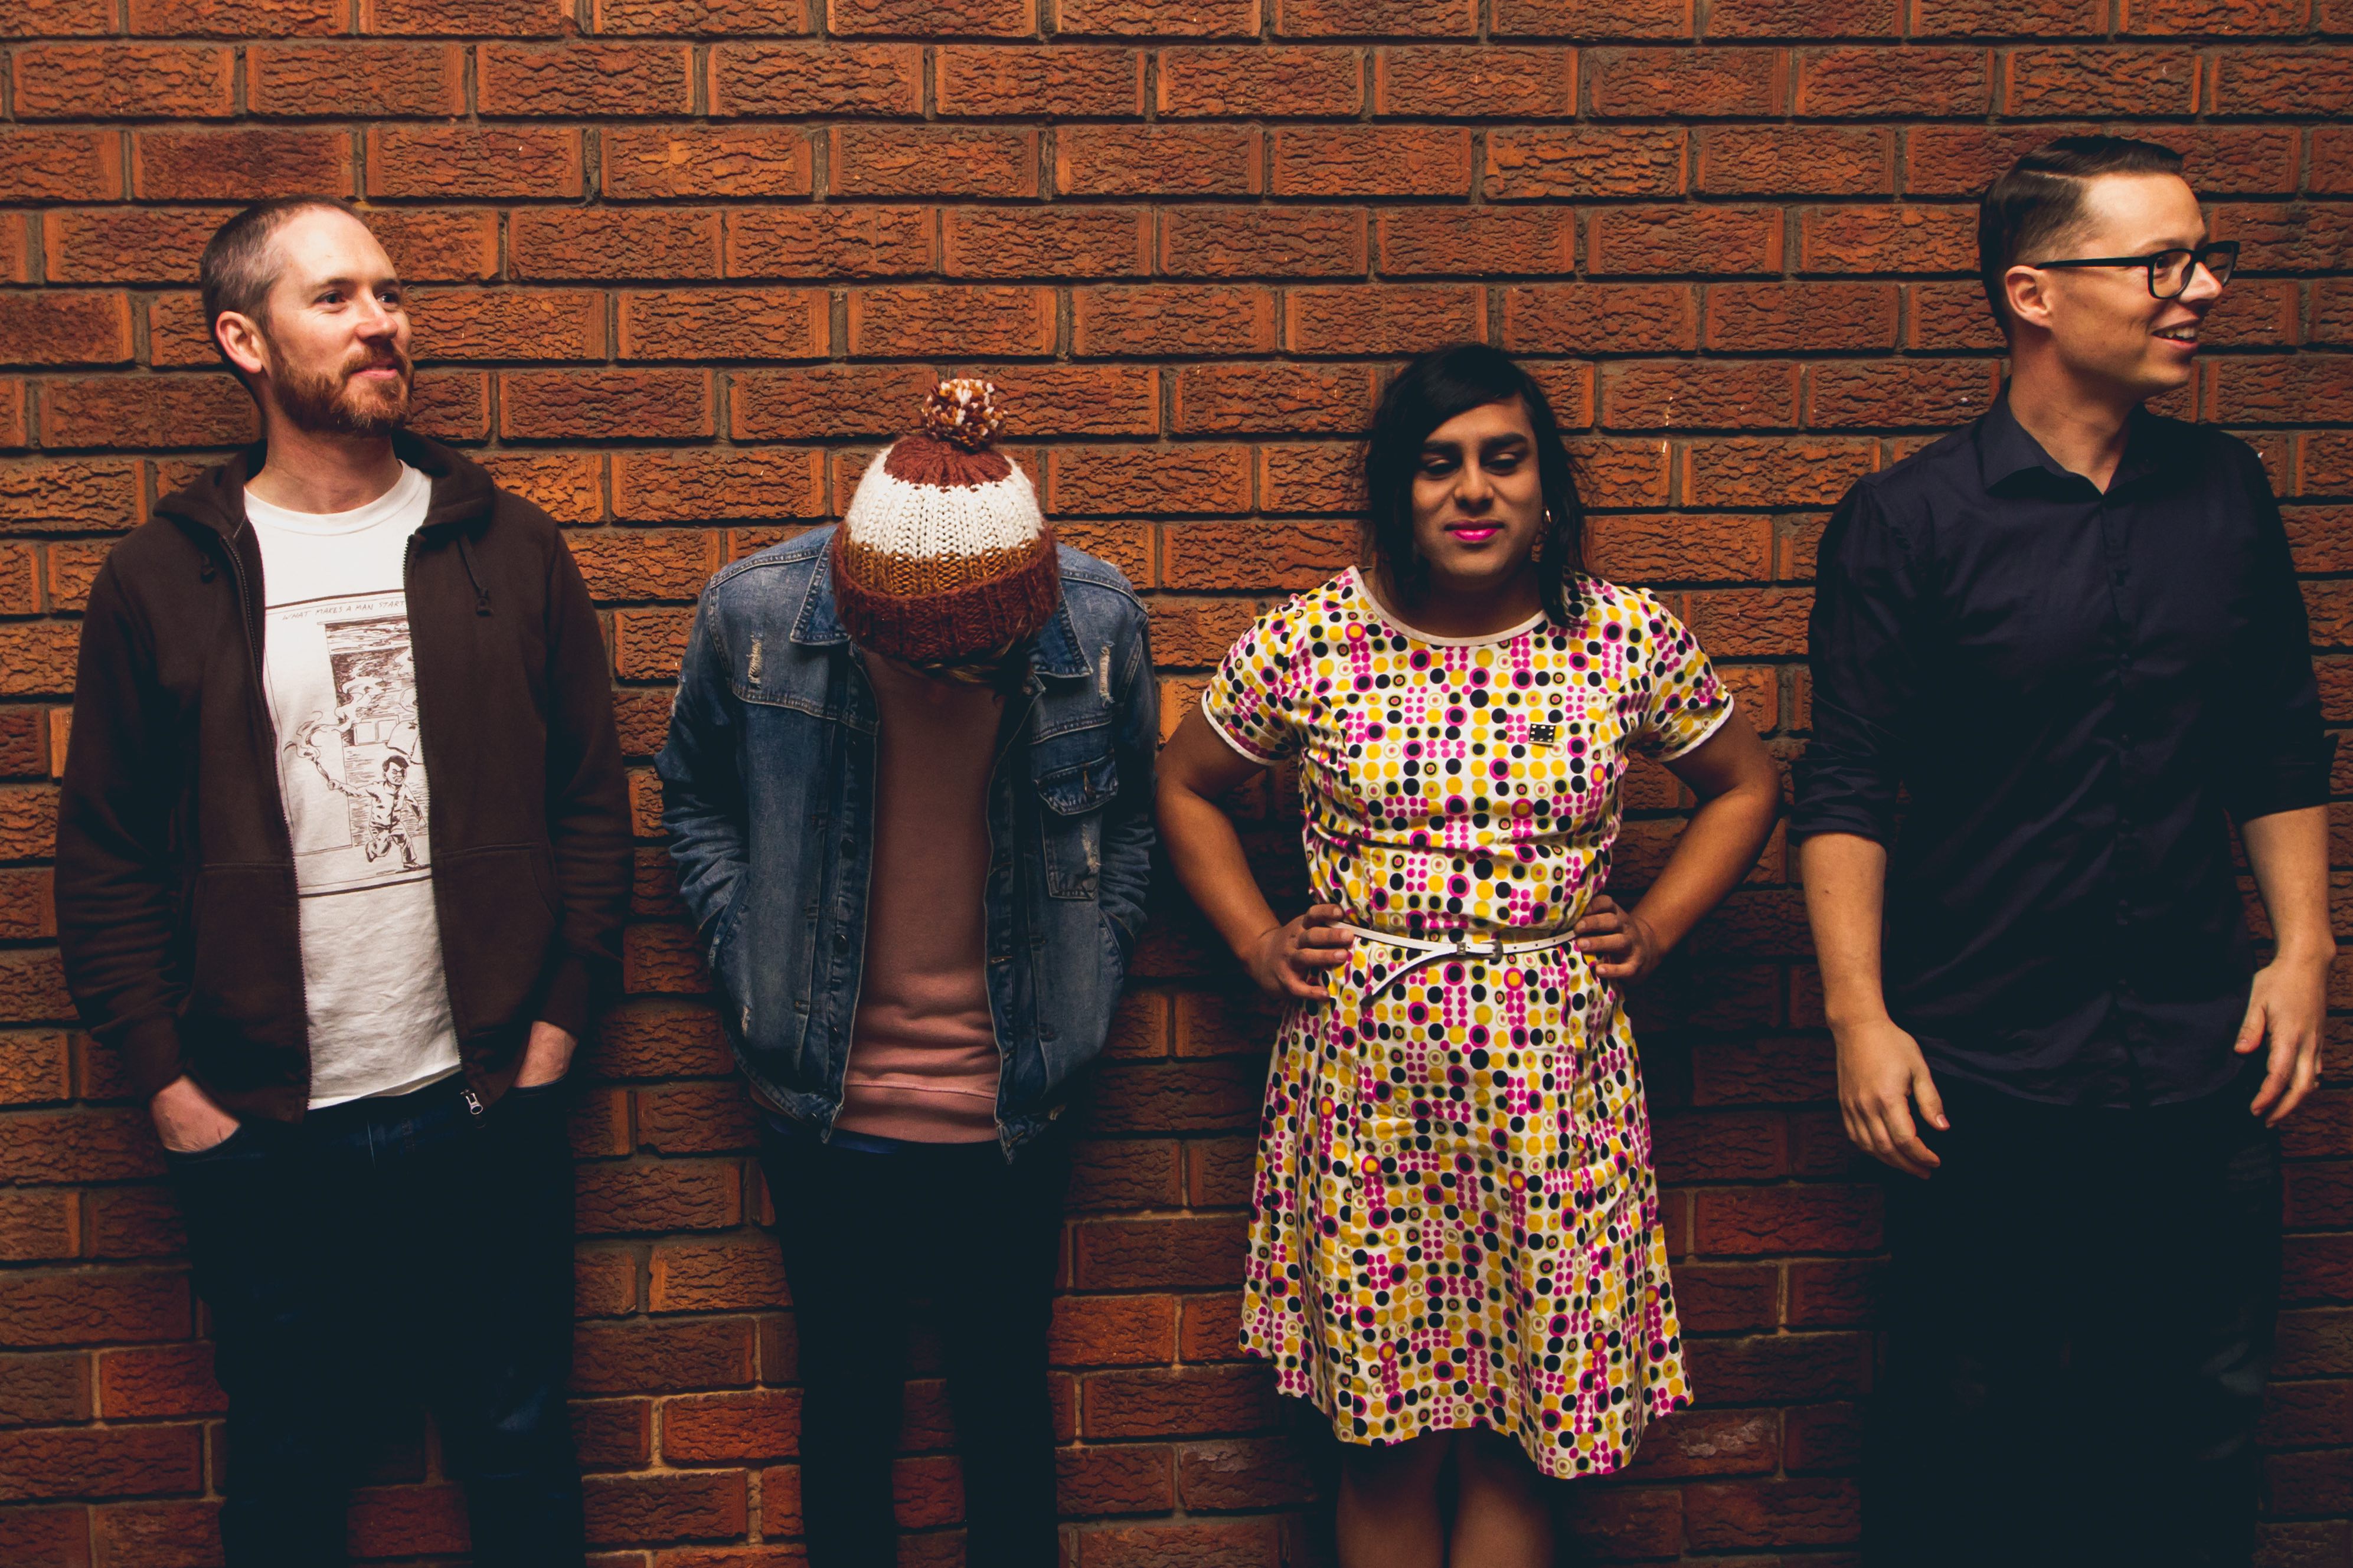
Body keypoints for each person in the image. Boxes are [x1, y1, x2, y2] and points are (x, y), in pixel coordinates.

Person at [54, 197, 631, 1566]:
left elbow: (591, 809)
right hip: (265, 1132)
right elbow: (105, 856)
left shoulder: (508, 546)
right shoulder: (159, 578)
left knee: (520, 1452)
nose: (382, 323)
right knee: (288, 1473)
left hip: (481, 1105)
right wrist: (172, 1087)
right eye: (336, 298)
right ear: (243, 341)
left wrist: (555, 1029)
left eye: (389, 293)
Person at [1795, 135, 2334, 1568]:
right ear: (2031, 293)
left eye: (2205, 258)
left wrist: (2302, 948)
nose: (2200, 289)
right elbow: (1846, 782)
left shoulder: (2225, 492)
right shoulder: (1908, 520)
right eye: (2160, 263)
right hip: (1983, 1071)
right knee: (1969, 1439)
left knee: (2196, 1437)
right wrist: (1858, 1016)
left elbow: (2276, 741)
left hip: (2203, 1061)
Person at [1156, 344, 1782, 1567]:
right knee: (1385, 1441)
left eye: (1505, 459)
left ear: (1546, 486)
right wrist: (1255, 937)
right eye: (1437, 464)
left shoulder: (1622, 638)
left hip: (1551, 1096)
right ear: (1398, 490)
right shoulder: (1312, 640)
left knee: (1518, 1436)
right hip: (1366, 1099)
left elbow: (1745, 784)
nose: (1474, 489)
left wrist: (1654, 926)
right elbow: (1183, 784)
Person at [656, 379, 1156, 1568]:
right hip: (821, 1105)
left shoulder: (1092, 623)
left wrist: (1094, 966)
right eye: (916, 653)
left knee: (1004, 1413)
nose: (945, 674)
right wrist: (744, 946)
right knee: (847, 1413)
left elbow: (1135, 818)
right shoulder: (756, 613)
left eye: (976, 657)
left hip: (1018, 1102)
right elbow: (692, 798)